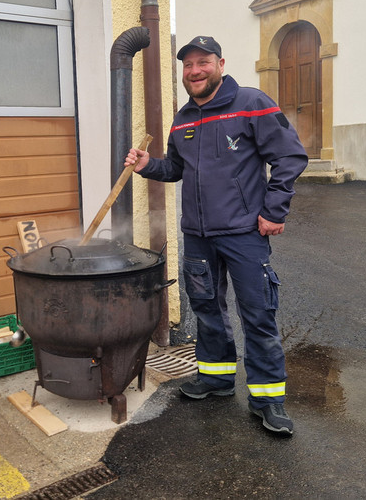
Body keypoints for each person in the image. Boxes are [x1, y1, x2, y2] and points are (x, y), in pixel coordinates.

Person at [125, 35, 308, 435]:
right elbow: (176, 168)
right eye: (188, 65)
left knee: (258, 314)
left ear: (220, 64)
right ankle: (217, 378)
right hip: (199, 235)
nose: (194, 71)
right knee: (206, 307)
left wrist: (274, 211)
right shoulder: (184, 118)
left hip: (244, 232)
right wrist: (147, 164)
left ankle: (267, 400)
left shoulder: (252, 103)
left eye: (202, 62)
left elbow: (290, 156)